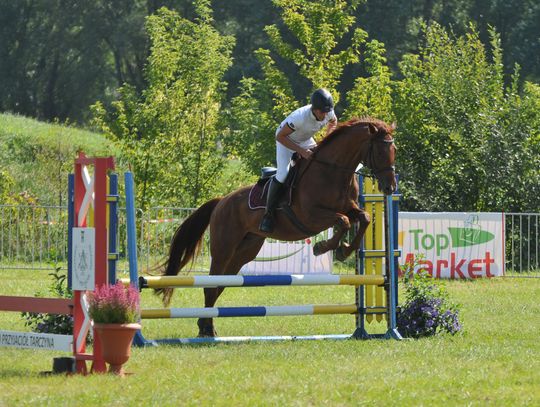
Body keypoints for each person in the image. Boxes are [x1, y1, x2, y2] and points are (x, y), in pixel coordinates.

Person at [259, 88, 338, 233]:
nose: (325, 115)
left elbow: (334, 122)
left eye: (327, 112)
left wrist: (325, 140)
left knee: (320, 163)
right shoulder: (300, 117)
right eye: (322, 112)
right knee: (283, 174)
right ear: (314, 109)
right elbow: (280, 137)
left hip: (305, 139)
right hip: (286, 141)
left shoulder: (328, 112)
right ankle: (268, 215)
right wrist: (301, 151)